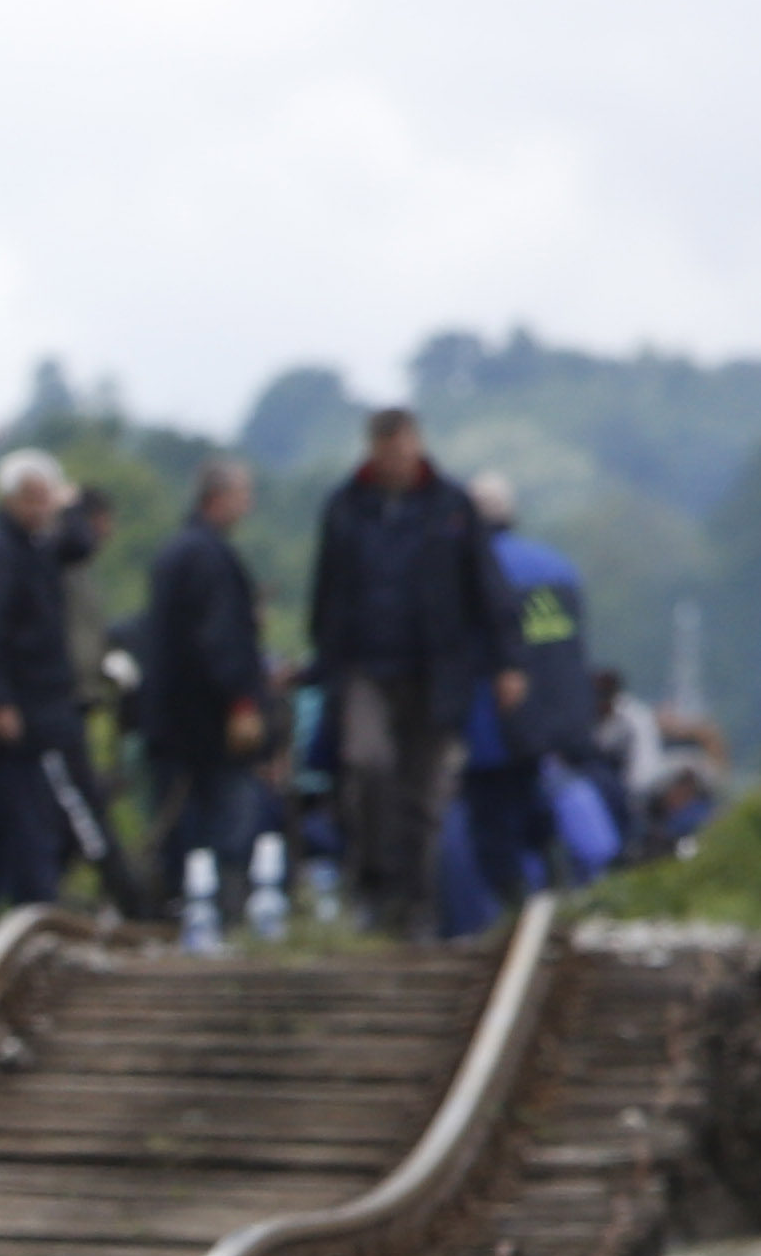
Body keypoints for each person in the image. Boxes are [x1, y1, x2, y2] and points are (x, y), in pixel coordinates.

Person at [305, 404, 514, 935]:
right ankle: (374, 881)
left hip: (436, 673)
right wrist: (324, 666)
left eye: (404, 450)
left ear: (417, 446)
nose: (396, 460)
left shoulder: (452, 506)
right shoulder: (346, 506)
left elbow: (487, 587)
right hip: (365, 667)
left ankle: (413, 905)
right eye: (386, 451)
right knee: (367, 766)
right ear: (372, 450)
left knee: (423, 796)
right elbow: (325, 594)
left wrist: (508, 661)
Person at [136, 456, 282, 950]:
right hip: (211, 724)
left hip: (169, 720)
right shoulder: (212, 558)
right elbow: (221, 640)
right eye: (243, 494)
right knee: (231, 825)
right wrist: (242, 700)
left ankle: (166, 920)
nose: (248, 504)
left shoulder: (173, 552)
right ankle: (231, 926)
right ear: (220, 497)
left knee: (172, 827)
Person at [0, 449, 86, 920]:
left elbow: (82, 545)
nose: (40, 508)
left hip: (35, 714)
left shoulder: (36, 548)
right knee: (20, 830)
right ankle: (12, 922)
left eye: (45, 498)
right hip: (9, 721)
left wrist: (69, 509)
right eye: (30, 499)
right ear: (8, 499)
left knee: (4, 831)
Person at [455, 473, 595, 910]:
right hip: (557, 723)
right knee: (542, 810)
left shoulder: (472, 573)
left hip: (493, 726)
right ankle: (557, 891)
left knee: (494, 824)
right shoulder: (560, 568)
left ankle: (515, 910)